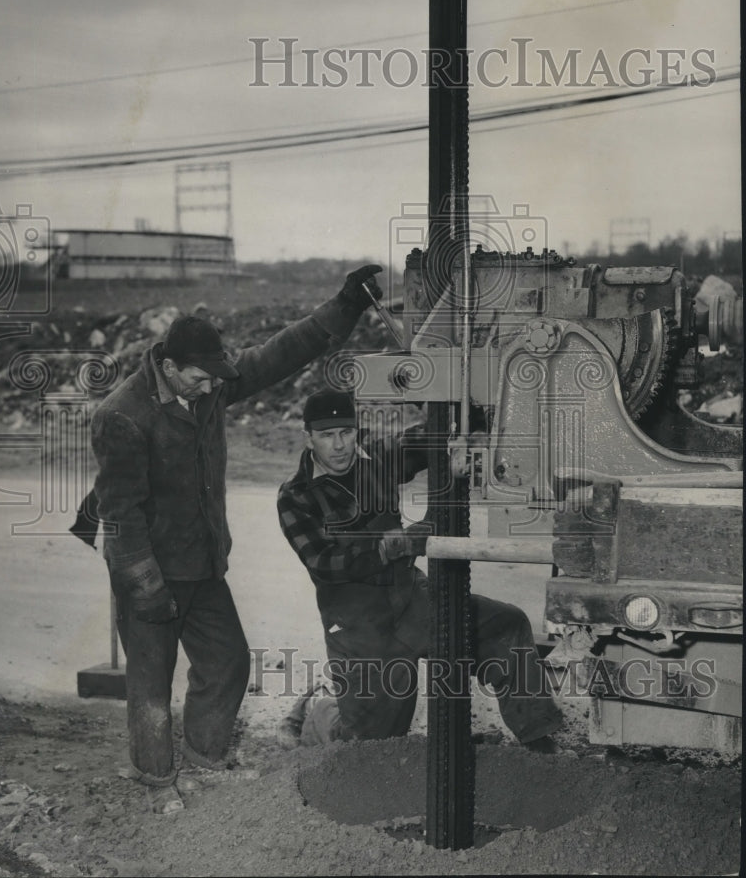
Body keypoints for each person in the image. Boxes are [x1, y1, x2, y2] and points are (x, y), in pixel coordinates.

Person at [87, 265, 382, 813]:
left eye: (215, 380)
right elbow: (119, 514)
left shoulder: (208, 383)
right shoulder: (123, 417)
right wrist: (145, 587)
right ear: (169, 368)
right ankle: (155, 782)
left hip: (202, 564)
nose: (212, 388)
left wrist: (345, 305)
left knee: (227, 663)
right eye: (200, 380)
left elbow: (277, 354)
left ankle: (204, 759)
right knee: (152, 684)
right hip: (149, 570)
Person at [276, 389, 563, 750]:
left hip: (411, 599)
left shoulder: (377, 459)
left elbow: (429, 436)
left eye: (346, 433)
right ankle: (317, 712)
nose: (339, 446)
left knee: (506, 626)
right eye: (327, 436)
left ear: (356, 430)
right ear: (308, 437)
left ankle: (539, 742)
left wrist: (466, 415)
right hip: (359, 627)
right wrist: (392, 547)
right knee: (368, 744)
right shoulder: (295, 495)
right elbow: (324, 563)